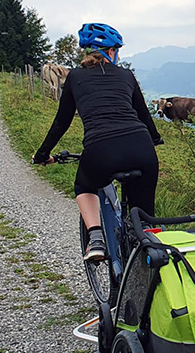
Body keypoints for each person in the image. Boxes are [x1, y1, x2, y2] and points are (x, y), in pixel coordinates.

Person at [33, 23, 163, 262]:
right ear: (110, 52)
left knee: (84, 186)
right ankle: (148, 252)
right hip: (141, 147)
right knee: (144, 223)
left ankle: (95, 238)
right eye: (117, 51)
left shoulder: (75, 77)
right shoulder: (126, 75)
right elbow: (144, 115)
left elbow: (61, 122)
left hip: (101, 150)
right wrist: (155, 140)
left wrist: (42, 154)